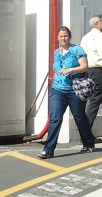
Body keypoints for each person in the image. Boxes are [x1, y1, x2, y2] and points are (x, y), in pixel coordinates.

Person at [39, 26, 98, 159]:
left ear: (69, 37)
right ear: (58, 38)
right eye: (60, 36)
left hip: (74, 90)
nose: (63, 38)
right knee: (55, 118)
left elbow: (85, 66)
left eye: (65, 36)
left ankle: (88, 143)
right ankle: (48, 150)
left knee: (79, 117)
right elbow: (57, 68)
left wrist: (71, 70)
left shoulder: (77, 50)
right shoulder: (57, 52)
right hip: (58, 90)